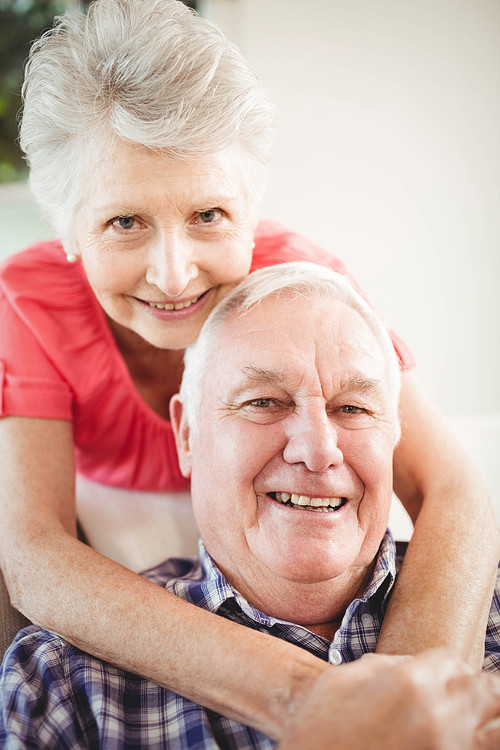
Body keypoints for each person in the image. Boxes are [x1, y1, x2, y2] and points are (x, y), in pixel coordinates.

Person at [0, 0, 497, 740]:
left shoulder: (308, 288)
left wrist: (407, 703)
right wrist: (307, 702)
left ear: (252, 208)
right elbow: (35, 557)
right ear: (68, 229)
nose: (173, 275)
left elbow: (454, 487)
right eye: (124, 222)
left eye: (209, 216)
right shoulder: (31, 304)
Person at [1, 263, 499, 749]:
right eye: (263, 402)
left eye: (353, 408)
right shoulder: (64, 683)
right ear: (188, 434)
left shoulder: (486, 602)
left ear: (394, 434)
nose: (319, 449)